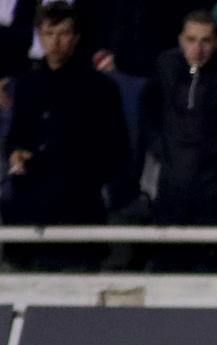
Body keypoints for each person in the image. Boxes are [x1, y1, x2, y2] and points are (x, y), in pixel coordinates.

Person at [2, 2, 126, 271]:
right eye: (48, 34)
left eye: (63, 33)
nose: (55, 42)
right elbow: (16, 136)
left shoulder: (99, 88)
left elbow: (112, 150)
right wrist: (16, 153)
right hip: (31, 210)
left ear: (76, 37)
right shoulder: (26, 85)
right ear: (39, 35)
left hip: (78, 206)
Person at [143, 9, 217, 272]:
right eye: (191, 40)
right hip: (171, 188)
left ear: (216, 42)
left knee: (209, 269)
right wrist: (158, 147)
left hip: (212, 190)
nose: (198, 48)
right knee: (167, 269)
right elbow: (148, 110)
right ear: (181, 39)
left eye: (205, 41)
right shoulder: (166, 66)